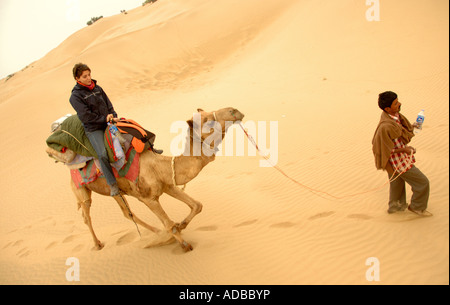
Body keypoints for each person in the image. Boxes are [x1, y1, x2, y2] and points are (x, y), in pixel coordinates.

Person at [372, 91, 432, 216]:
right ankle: (417, 207)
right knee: (422, 183)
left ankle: (396, 209)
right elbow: (384, 149)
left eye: (398, 101)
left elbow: (402, 132)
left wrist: (413, 127)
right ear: (388, 108)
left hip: (399, 158)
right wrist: (405, 149)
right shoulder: (385, 126)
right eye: (395, 103)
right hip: (396, 161)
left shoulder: (396, 117)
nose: (399, 104)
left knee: (397, 185)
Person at [69, 63, 121, 196]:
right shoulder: (75, 97)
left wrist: (113, 116)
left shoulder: (97, 88)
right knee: (102, 154)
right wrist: (105, 118)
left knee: (130, 131)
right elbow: (86, 116)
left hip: (108, 121)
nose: (88, 78)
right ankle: (112, 184)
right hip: (93, 128)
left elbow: (109, 104)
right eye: (84, 76)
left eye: (89, 75)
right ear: (77, 79)